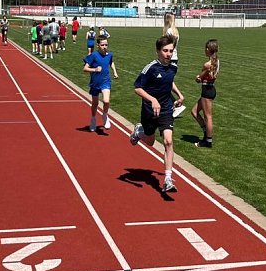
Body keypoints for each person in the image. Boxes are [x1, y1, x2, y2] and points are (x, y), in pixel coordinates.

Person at [130, 35, 185, 193]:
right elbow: (137, 88)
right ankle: (139, 132)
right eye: (165, 51)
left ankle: (168, 179)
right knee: (150, 142)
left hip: (166, 109)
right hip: (149, 110)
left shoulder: (173, 67)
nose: (168, 54)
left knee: (168, 141)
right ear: (158, 51)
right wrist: (152, 99)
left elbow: (169, 80)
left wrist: (179, 95)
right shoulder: (151, 68)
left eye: (171, 51)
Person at [83, 37, 119, 131]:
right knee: (95, 103)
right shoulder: (93, 55)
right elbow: (85, 68)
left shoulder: (109, 55)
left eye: (106, 45)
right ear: (98, 45)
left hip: (105, 81)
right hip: (95, 83)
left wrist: (115, 72)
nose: (104, 47)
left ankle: (105, 115)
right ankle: (93, 119)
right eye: (102, 45)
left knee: (106, 101)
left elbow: (111, 62)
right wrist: (95, 69)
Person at [191, 39, 219, 148]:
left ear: (208, 49)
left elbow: (199, 79)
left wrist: (198, 78)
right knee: (194, 112)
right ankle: (206, 133)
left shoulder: (207, 64)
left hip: (207, 90)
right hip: (211, 89)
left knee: (208, 116)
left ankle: (208, 141)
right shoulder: (217, 61)